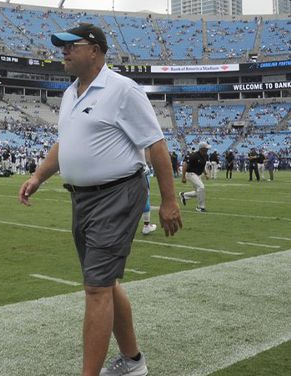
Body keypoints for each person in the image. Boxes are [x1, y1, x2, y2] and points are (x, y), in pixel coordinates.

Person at [18, 23, 182, 376]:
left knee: (95, 288)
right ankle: (133, 361)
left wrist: (168, 200)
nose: (62, 51)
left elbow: (155, 144)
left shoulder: (123, 89)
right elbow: (66, 144)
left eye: (70, 46)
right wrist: (37, 176)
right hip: (82, 199)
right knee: (105, 283)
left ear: (94, 50)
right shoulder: (70, 93)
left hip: (117, 193)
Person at [179, 141, 209, 212]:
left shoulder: (205, 155)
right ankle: (200, 207)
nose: (207, 150)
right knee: (201, 187)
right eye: (206, 148)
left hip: (198, 174)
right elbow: (185, 164)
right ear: (202, 149)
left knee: (198, 192)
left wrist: (205, 173)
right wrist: (183, 177)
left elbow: (203, 165)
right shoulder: (194, 155)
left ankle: (184, 195)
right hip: (190, 173)